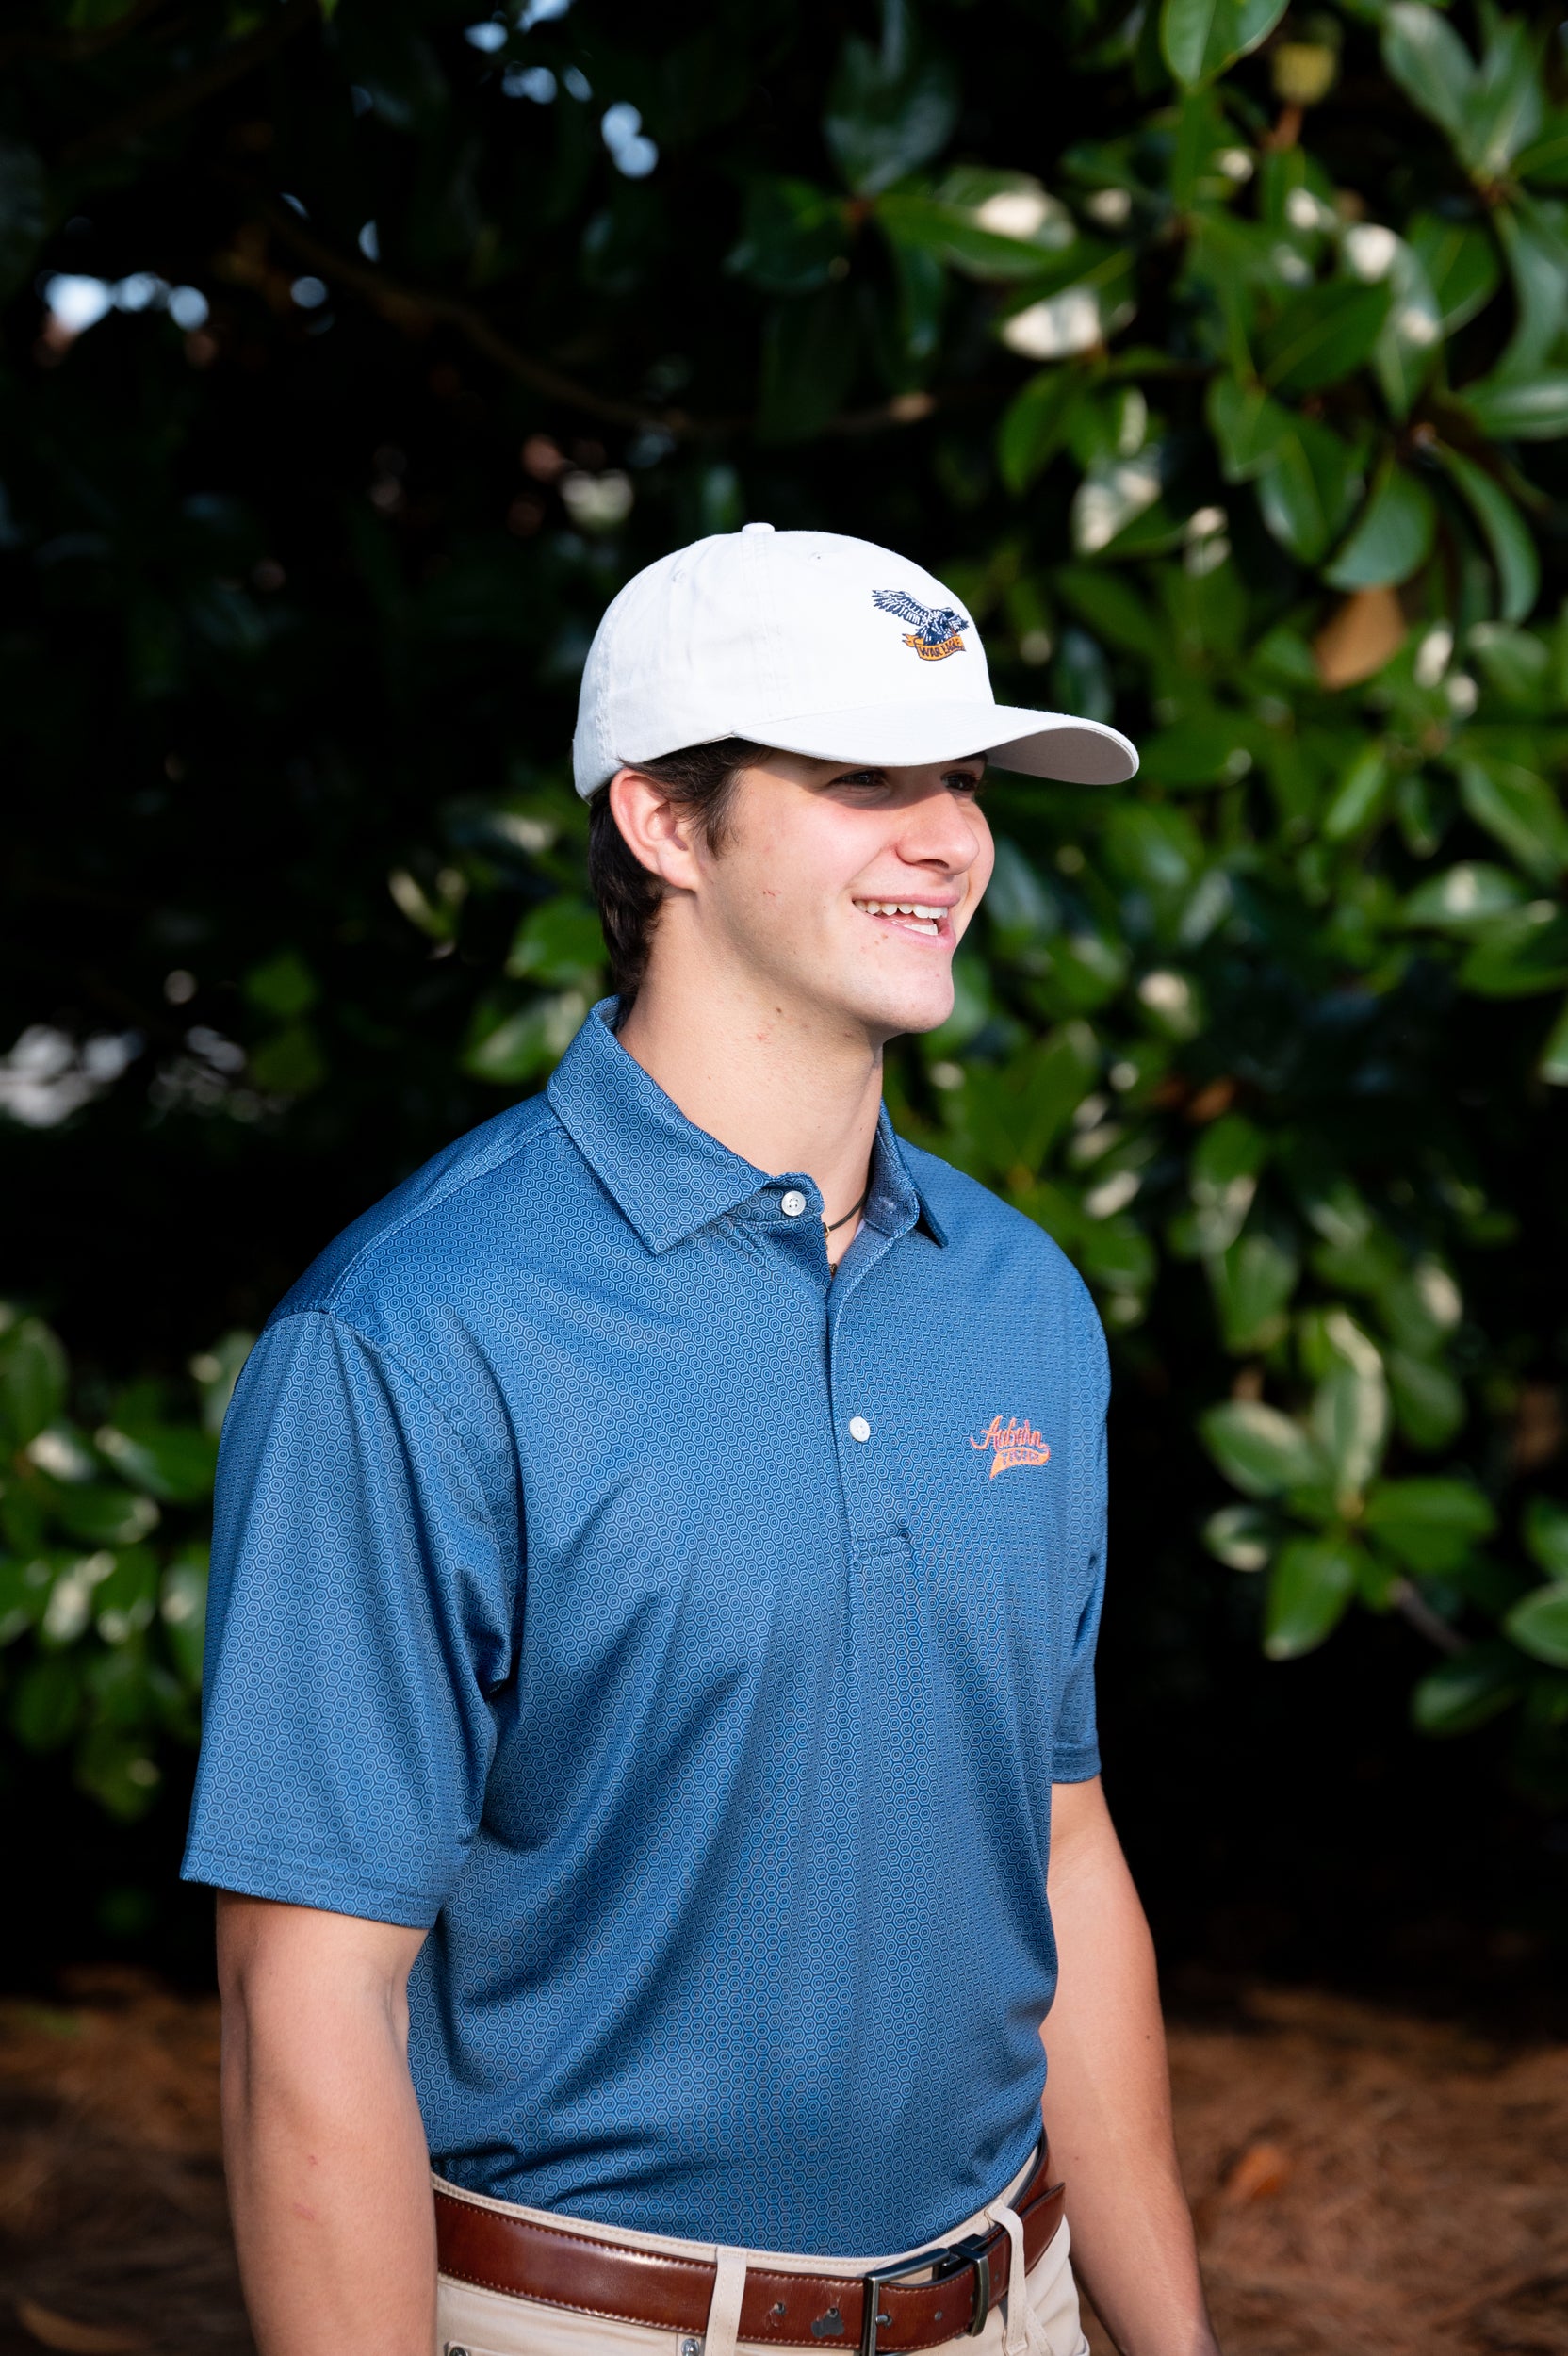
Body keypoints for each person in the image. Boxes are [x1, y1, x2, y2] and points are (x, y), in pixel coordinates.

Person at [184, 525, 1219, 2356]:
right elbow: (306, 1999)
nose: (950, 839)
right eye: (865, 779)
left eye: (967, 781)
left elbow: (1061, 1848)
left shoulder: (1022, 1300)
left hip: (1016, 2300)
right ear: (664, 822)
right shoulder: (415, 1332)